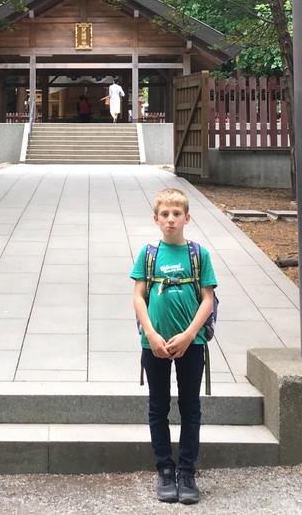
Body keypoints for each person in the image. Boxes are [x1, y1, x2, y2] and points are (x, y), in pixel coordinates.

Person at [130, 188, 217, 505]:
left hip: (191, 343)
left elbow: (207, 299)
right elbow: (139, 296)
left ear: (187, 218)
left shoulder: (199, 256)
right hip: (152, 343)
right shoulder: (148, 255)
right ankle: (165, 469)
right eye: (164, 214)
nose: (170, 219)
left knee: (191, 408)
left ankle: (187, 471)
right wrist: (151, 334)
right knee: (158, 406)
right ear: (156, 219)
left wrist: (189, 334)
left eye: (176, 214)